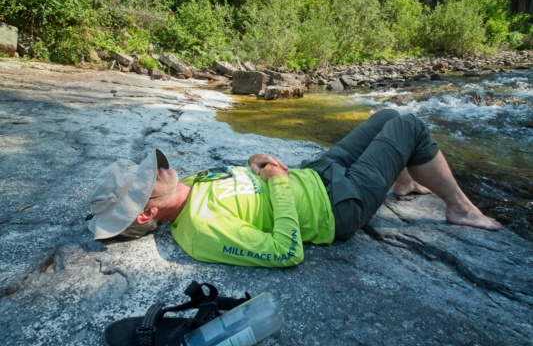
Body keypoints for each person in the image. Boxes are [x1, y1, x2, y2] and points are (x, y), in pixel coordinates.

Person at [87, 109, 501, 267]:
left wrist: (255, 161)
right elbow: (287, 252)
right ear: (146, 213)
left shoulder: (188, 185)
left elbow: (241, 178)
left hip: (316, 173)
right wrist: (280, 184)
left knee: (387, 114)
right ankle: (460, 208)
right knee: (410, 125)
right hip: (338, 206)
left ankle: (404, 181)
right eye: (149, 179)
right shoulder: (200, 232)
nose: (159, 169)